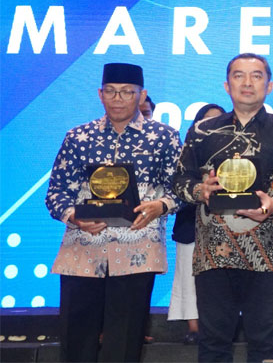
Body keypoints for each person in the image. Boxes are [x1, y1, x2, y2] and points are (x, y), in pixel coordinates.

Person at [173, 53, 273, 362]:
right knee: (213, 343)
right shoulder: (202, 131)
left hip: (268, 254)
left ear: (269, 86)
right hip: (213, 253)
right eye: (239, 75)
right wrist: (200, 190)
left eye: (256, 75)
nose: (247, 82)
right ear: (227, 85)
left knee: (265, 344)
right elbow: (180, 178)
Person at [45, 63, 181, 362]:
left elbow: (181, 189)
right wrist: (74, 216)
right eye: (111, 91)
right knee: (76, 342)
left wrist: (160, 206)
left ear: (141, 95)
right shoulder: (78, 136)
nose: (118, 99)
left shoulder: (164, 137)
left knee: (124, 345)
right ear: (100, 94)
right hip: (83, 250)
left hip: (137, 251)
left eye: (126, 92)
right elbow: (56, 192)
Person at [167, 103, 225, 345]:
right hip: (190, 223)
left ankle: (220, 326)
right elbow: (177, 185)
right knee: (188, 275)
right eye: (206, 120)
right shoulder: (187, 152)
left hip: (225, 225)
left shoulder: (236, 156)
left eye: (218, 120)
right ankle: (194, 327)